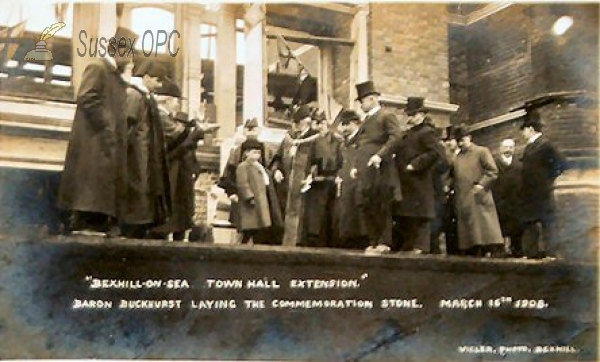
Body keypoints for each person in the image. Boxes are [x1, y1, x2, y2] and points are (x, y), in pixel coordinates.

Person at [57, 26, 137, 236]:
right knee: (91, 186)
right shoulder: (98, 68)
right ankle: (87, 221)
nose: (130, 60)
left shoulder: (114, 76)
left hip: (105, 142)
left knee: (100, 187)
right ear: (118, 51)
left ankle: (96, 222)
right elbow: (86, 96)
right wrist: (108, 124)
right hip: (95, 142)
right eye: (129, 53)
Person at [121, 60, 171, 238]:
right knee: (137, 199)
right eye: (157, 80)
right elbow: (127, 126)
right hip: (137, 158)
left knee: (144, 199)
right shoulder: (134, 95)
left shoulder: (144, 97)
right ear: (147, 77)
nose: (159, 85)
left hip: (145, 157)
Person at [353, 81, 403, 255]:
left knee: (382, 205)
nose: (361, 105)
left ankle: (384, 242)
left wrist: (380, 155)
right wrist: (355, 166)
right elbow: (359, 145)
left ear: (373, 99)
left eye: (363, 101)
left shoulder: (385, 116)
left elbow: (396, 137)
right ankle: (373, 241)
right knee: (368, 205)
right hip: (366, 172)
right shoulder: (365, 121)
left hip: (381, 171)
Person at [393, 97, 445, 254]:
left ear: (422, 115)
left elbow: (435, 153)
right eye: (409, 115)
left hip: (420, 181)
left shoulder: (427, 132)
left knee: (421, 216)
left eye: (414, 115)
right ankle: (411, 245)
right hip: (407, 182)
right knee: (408, 215)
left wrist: (415, 164)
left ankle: (421, 247)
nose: (411, 118)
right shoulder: (407, 134)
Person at [519, 110, 567, 259]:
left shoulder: (545, 145)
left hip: (542, 192)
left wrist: (548, 179)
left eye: (524, 130)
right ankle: (531, 254)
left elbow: (561, 164)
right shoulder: (528, 147)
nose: (523, 133)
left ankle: (551, 253)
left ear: (531, 129)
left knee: (548, 223)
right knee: (530, 222)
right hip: (529, 194)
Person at [270, 105, 320, 245]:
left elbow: (318, 162)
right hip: (286, 188)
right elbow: (277, 158)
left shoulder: (314, 140)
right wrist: (276, 171)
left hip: (305, 189)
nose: (294, 126)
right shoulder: (288, 139)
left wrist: (311, 176)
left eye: (297, 123)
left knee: (303, 221)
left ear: (305, 122)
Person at [452, 125, 505, 257]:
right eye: (458, 141)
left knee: (484, 228)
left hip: (478, 196)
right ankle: (473, 250)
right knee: (468, 231)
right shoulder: (458, 157)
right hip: (463, 197)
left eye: (462, 140)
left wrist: (481, 185)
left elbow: (492, 171)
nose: (460, 143)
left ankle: (489, 249)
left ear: (469, 138)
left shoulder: (482, 151)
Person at [302, 110, 343, 247]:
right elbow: (310, 161)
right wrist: (311, 174)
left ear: (327, 123)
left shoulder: (337, 140)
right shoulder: (314, 141)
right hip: (318, 183)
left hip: (332, 180)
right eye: (317, 123)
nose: (320, 126)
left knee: (331, 213)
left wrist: (337, 175)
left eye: (322, 123)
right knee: (317, 215)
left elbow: (341, 161)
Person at [236, 139, 283, 244]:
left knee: (260, 227)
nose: (257, 155)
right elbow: (243, 184)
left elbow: (267, 180)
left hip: (262, 200)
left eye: (258, 153)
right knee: (250, 228)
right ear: (246, 153)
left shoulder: (260, 167)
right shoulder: (243, 166)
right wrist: (249, 197)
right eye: (254, 152)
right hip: (252, 203)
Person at [334, 110, 369, 249]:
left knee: (359, 220)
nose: (344, 128)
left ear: (355, 123)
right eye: (343, 125)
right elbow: (341, 163)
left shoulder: (362, 140)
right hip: (345, 185)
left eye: (346, 124)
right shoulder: (344, 143)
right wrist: (339, 174)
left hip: (357, 185)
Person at [491, 138, 524, 257]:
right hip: (499, 200)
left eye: (511, 147)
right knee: (499, 226)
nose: (508, 150)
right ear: (500, 148)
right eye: (505, 147)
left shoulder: (519, 165)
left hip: (515, 201)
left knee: (516, 227)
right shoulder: (494, 164)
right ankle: (499, 250)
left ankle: (516, 249)